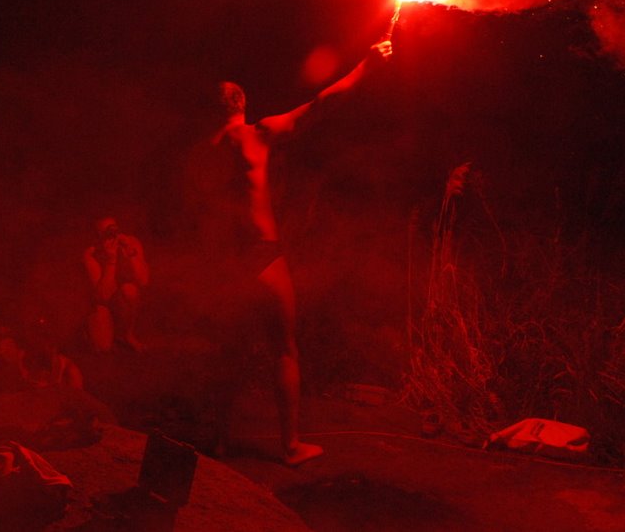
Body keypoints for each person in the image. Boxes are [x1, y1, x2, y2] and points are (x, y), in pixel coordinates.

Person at [191, 39, 393, 466]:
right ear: (241, 102)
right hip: (263, 255)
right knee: (284, 348)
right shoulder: (256, 136)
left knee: (229, 354)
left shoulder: (202, 156)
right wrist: (368, 66)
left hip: (227, 263)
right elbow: (320, 105)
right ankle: (291, 446)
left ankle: (220, 440)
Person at [83, 216, 150, 352]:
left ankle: (126, 334)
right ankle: (87, 330)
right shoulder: (91, 254)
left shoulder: (130, 243)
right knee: (103, 346)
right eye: (107, 233)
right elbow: (102, 296)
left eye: (114, 230)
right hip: (97, 303)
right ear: (98, 236)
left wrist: (132, 255)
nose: (112, 236)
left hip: (117, 299)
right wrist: (111, 260)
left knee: (130, 291)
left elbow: (144, 281)